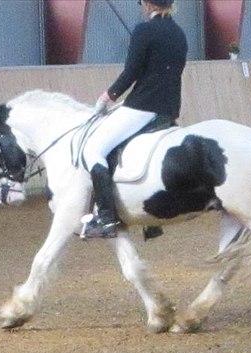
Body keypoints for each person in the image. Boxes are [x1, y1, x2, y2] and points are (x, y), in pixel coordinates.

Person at [81, 0, 188, 239]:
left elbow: (131, 73)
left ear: (148, 4)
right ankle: (151, 219)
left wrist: (108, 96)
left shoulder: (144, 30)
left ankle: (106, 218)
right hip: (168, 109)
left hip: (142, 107)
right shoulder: (179, 33)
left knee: (93, 150)